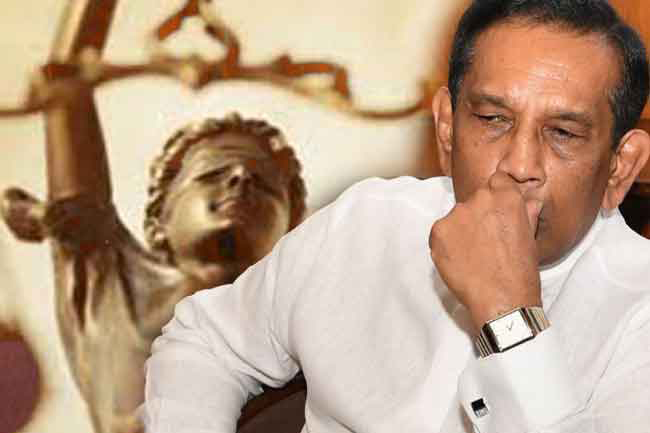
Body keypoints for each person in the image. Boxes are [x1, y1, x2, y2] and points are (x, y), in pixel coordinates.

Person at [142, 1, 650, 432]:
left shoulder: (639, 313)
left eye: (562, 133)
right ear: (447, 129)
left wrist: (508, 315)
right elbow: (206, 343)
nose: (520, 165)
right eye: (493, 119)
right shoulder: (368, 222)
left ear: (619, 167)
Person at [1, 108, 306, 433]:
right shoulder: (116, 296)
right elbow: (66, 101)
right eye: (212, 174)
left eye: (265, 185)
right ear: (160, 222)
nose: (242, 177)